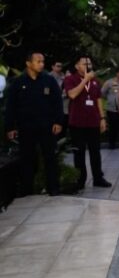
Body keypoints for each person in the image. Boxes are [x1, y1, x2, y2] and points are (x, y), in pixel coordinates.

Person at [5, 52, 64, 196]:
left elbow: (57, 102)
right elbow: (11, 106)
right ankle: (27, 189)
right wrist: (10, 127)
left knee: (50, 157)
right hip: (26, 127)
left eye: (43, 61)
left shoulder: (49, 80)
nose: (41, 64)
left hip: (46, 125)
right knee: (27, 158)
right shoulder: (18, 82)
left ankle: (53, 188)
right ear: (28, 63)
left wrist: (58, 121)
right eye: (38, 61)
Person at [64, 55, 112, 190]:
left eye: (89, 63)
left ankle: (98, 178)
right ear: (76, 66)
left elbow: (97, 100)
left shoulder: (95, 81)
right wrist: (85, 80)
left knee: (95, 152)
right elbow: (72, 94)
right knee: (79, 152)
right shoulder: (70, 79)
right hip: (77, 122)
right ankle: (80, 179)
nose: (87, 66)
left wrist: (102, 118)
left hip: (93, 121)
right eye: (84, 63)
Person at [101, 67, 119, 149]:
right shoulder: (109, 82)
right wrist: (110, 100)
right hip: (112, 109)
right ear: (117, 73)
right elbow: (102, 93)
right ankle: (112, 144)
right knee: (113, 127)